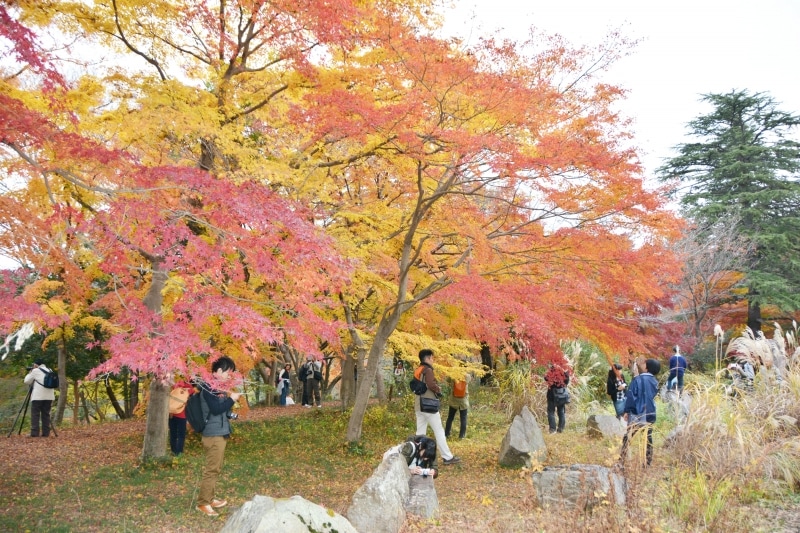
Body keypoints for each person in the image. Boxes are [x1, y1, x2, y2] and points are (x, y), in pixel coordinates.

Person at [196, 356, 242, 517]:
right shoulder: (208, 388)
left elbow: (219, 409)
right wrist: (231, 399)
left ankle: (210, 498)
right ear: (219, 371)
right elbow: (215, 409)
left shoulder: (215, 388)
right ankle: (203, 503)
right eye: (228, 372)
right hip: (213, 434)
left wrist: (230, 414)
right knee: (212, 469)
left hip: (220, 431)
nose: (229, 376)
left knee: (216, 468)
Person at [413, 349, 461, 465]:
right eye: (432, 358)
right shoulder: (428, 370)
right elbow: (430, 384)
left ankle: (417, 458)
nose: (433, 360)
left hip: (418, 405)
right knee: (439, 431)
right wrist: (438, 390)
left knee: (420, 432)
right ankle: (447, 457)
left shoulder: (418, 370)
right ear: (428, 358)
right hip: (429, 405)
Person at [619, 358, 660, 467]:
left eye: (644, 364)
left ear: (647, 367)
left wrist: (626, 411)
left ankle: (622, 460)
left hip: (637, 412)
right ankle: (647, 462)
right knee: (648, 437)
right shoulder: (655, 382)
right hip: (650, 413)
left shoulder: (637, 379)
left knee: (628, 436)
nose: (642, 365)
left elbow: (631, 396)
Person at [23, 358, 56, 437]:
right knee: (46, 414)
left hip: (38, 396)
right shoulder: (50, 370)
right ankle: (46, 433)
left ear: (35, 364)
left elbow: (26, 381)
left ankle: (34, 433)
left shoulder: (35, 371)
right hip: (49, 396)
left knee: (35, 414)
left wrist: (30, 372)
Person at [169, 379, 194, 455]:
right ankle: (179, 452)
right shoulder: (191, 390)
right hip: (182, 415)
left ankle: (173, 450)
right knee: (181, 435)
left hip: (172, 413)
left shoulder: (176, 385)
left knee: (172, 433)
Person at [545, 365, 570, 433]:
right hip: (561, 395)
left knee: (551, 412)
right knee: (561, 411)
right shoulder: (564, 370)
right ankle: (561, 428)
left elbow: (546, 378)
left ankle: (552, 429)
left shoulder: (552, 369)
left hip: (551, 395)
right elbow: (567, 381)